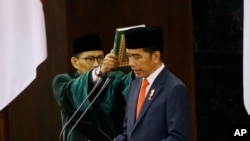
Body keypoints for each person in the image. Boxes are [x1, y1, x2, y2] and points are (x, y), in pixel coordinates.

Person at [113, 27, 191, 141]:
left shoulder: (174, 89)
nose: (131, 63)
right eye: (129, 56)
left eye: (136, 56)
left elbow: (178, 138)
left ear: (155, 56)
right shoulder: (134, 85)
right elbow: (128, 133)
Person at [52, 35, 128, 141]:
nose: (96, 64)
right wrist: (99, 71)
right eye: (89, 59)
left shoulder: (113, 79)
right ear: (75, 62)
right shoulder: (63, 81)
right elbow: (70, 97)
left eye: (100, 58)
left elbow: (132, 89)